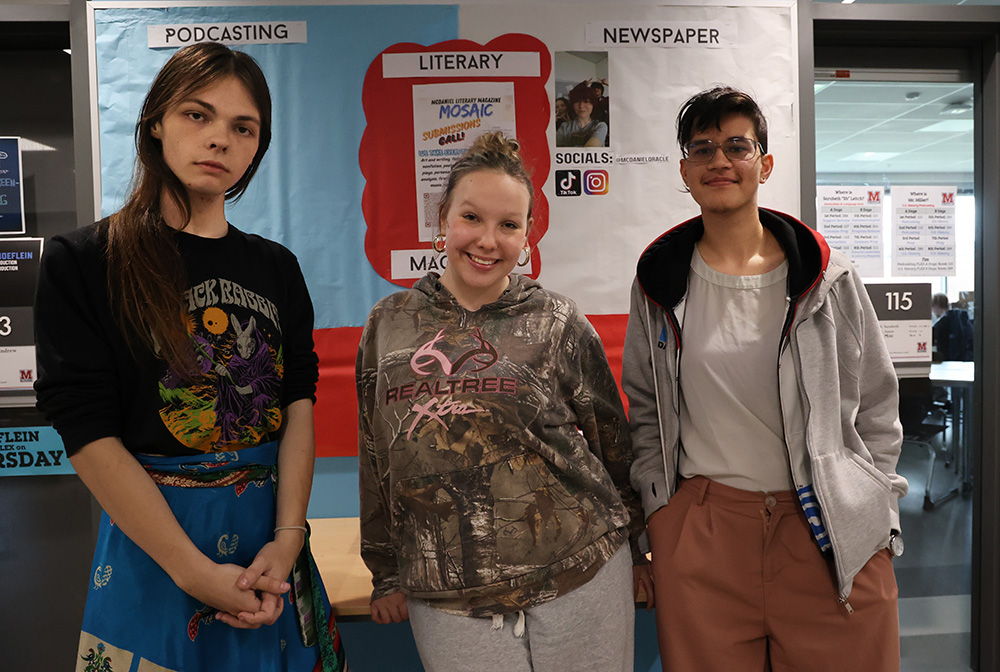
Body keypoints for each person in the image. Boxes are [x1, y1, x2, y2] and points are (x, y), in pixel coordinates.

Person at [33, 43, 346, 672]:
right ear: (155, 122)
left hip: (268, 547)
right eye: (197, 116)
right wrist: (191, 569)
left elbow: (297, 406)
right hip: (156, 545)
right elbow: (87, 429)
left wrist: (288, 540)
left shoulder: (276, 267)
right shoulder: (85, 262)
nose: (219, 140)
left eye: (242, 127)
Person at [623, 86, 907, 671]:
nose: (718, 161)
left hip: (826, 528)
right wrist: (661, 519)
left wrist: (878, 516)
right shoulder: (660, 281)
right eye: (701, 149)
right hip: (702, 534)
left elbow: (878, 405)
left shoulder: (829, 277)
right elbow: (647, 409)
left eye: (736, 146)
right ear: (684, 169)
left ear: (765, 163)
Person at [358, 131, 651, 672]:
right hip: (448, 592)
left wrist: (638, 545)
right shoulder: (388, 324)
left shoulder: (557, 321)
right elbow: (379, 455)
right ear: (442, 217)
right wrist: (386, 572)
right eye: (471, 218)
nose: (487, 240)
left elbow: (613, 443)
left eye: (508, 225)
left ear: (528, 234)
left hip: (579, 571)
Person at [556, 82, 608, 148]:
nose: (581, 106)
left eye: (586, 101)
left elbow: (591, 150)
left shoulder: (600, 126)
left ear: (593, 104)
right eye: (577, 101)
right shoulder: (564, 127)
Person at [932, 292, 973, 362]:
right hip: (965, 359)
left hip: (949, 360)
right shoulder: (961, 316)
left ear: (936, 306)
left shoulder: (942, 322)